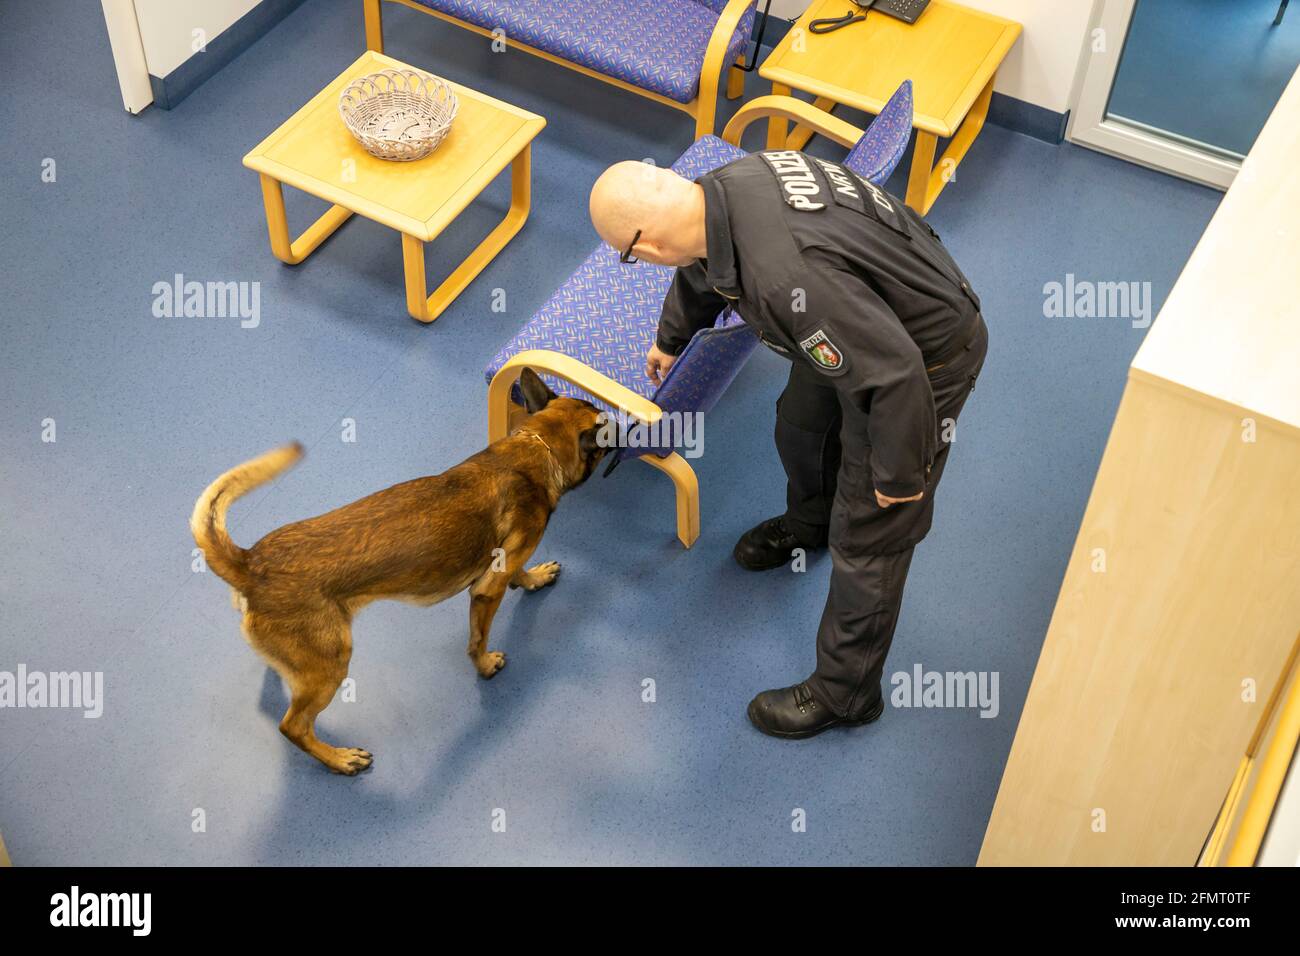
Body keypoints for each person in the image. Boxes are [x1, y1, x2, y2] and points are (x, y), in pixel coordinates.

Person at [588, 149, 987, 739]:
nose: (636, 261)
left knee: (872, 533)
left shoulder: (785, 275)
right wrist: (673, 337)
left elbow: (895, 376)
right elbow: (704, 264)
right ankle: (810, 525)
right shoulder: (715, 195)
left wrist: (901, 481)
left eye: (627, 255)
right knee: (801, 426)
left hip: (923, 356)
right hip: (860, 318)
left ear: (643, 248)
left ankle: (847, 693)